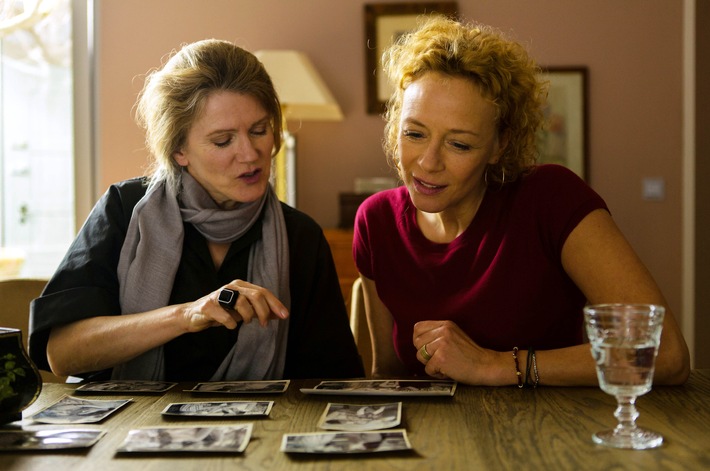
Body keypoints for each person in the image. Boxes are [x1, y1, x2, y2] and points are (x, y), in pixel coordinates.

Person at [353, 16, 690, 387]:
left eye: (459, 144)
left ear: (500, 145)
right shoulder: (376, 220)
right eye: (414, 133)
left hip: (551, 433)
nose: (428, 162)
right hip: (433, 439)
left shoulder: (551, 198)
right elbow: (387, 375)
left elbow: (665, 353)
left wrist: (494, 365)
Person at [29, 39, 364, 382]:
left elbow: (334, 380)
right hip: (131, 429)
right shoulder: (124, 208)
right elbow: (63, 353)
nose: (250, 154)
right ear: (178, 151)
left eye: (260, 130)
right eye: (223, 140)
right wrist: (185, 315)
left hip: (260, 431)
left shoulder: (301, 237)